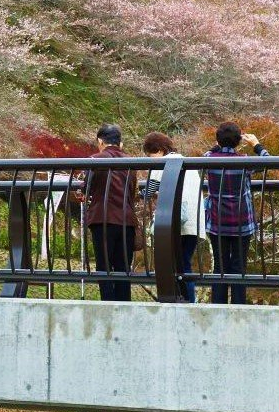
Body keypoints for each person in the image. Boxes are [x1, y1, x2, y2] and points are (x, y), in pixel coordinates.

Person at [202, 122, 267, 305]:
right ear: (239, 141)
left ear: (217, 139)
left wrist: (219, 145)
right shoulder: (244, 161)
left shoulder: (208, 159)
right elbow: (267, 160)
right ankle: (239, 306)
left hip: (217, 220)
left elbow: (209, 151)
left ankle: (218, 306)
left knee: (220, 266)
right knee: (239, 266)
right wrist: (256, 144)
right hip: (242, 221)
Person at [74, 124, 138, 302]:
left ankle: (108, 305)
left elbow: (86, 186)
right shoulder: (131, 162)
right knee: (123, 268)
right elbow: (132, 190)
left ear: (100, 141)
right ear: (120, 144)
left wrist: (82, 192)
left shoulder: (95, 159)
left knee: (104, 266)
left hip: (102, 218)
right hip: (127, 220)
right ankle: (124, 305)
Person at [139, 132, 203, 302]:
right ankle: (188, 300)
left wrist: (138, 193)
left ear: (159, 150)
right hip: (194, 222)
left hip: (176, 223)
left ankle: (184, 300)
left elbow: (148, 191)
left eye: (150, 155)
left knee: (175, 265)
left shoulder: (164, 163)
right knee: (185, 263)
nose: (150, 160)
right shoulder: (187, 163)